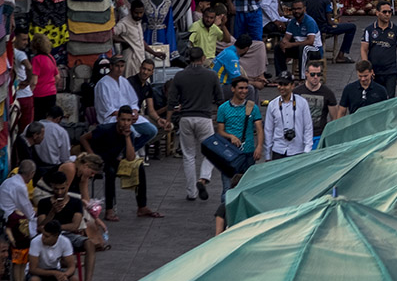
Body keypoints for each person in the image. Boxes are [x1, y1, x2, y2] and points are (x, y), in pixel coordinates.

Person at [81, 107, 160, 221]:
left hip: (113, 160)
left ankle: (142, 206)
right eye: (123, 120)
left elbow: (130, 158)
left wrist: (127, 137)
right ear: (117, 119)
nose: (125, 123)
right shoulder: (105, 129)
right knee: (110, 172)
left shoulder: (129, 133)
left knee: (139, 167)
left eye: (128, 120)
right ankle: (109, 209)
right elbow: (84, 138)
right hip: (99, 160)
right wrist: (92, 156)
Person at [166, 47, 222, 204]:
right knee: (212, 153)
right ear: (203, 58)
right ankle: (204, 178)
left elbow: (172, 100)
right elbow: (219, 98)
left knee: (189, 155)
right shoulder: (211, 75)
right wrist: (221, 118)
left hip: (186, 119)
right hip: (204, 118)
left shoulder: (180, 76)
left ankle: (191, 192)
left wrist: (169, 120)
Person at [36, 174, 98, 281]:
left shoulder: (75, 202)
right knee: (37, 242)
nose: (59, 192)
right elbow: (40, 226)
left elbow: (75, 225)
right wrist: (52, 213)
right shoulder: (44, 203)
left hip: (68, 235)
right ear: (52, 187)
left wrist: (56, 226)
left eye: (62, 189)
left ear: (66, 186)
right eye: (56, 189)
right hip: (49, 235)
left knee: (89, 244)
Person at [215, 79, 263, 185]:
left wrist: (259, 147)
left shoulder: (252, 107)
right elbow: (220, 131)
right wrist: (231, 136)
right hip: (229, 153)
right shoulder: (223, 108)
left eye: (246, 88)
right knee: (228, 185)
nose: (244, 91)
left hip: (248, 152)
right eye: (240, 88)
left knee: (248, 184)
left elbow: (259, 129)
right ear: (233, 89)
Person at [360, 0, 397, 97]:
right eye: (384, 12)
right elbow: (364, 49)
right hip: (374, 72)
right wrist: (367, 69)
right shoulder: (369, 30)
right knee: (374, 98)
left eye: (389, 12)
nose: (387, 14)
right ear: (377, 13)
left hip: (390, 72)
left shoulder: (396, 30)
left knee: (389, 99)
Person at [305, 0, 356, 64]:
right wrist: (336, 22)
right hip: (324, 27)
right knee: (352, 27)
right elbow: (329, 21)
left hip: (312, 27)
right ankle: (341, 55)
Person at [112, 0, 165, 79]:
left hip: (140, 59)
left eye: (141, 13)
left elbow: (140, 41)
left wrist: (154, 53)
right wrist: (124, 42)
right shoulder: (124, 23)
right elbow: (110, 35)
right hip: (130, 60)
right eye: (136, 13)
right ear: (131, 11)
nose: (139, 15)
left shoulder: (138, 22)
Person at [264, 74, 313, 159]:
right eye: (280, 84)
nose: (282, 87)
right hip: (278, 150)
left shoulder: (302, 103)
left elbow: (308, 127)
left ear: (292, 86)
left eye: (285, 85)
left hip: (297, 150)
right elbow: (268, 130)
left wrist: (307, 150)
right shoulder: (272, 104)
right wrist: (267, 155)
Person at [277, 0, 323, 78]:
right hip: (299, 48)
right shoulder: (292, 22)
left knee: (304, 48)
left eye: (299, 9)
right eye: (294, 9)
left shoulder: (310, 21)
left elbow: (310, 41)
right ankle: (282, 75)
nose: (296, 11)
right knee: (278, 47)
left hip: (314, 50)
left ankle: (303, 78)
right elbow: (286, 38)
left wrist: (291, 45)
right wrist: (283, 44)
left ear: (304, 9)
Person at [297, 60, 338, 136]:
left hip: (319, 135)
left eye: (318, 74)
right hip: (300, 134)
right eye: (312, 74)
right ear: (306, 74)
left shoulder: (328, 93)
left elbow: (334, 119)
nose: (315, 77)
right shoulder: (297, 92)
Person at [28, 36, 58, 124]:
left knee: (38, 120)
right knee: (50, 119)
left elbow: (34, 80)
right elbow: (57, 76)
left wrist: (29, 92)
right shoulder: (51, 57)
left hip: (39, 95)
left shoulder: (36, 59)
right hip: (52, 93)